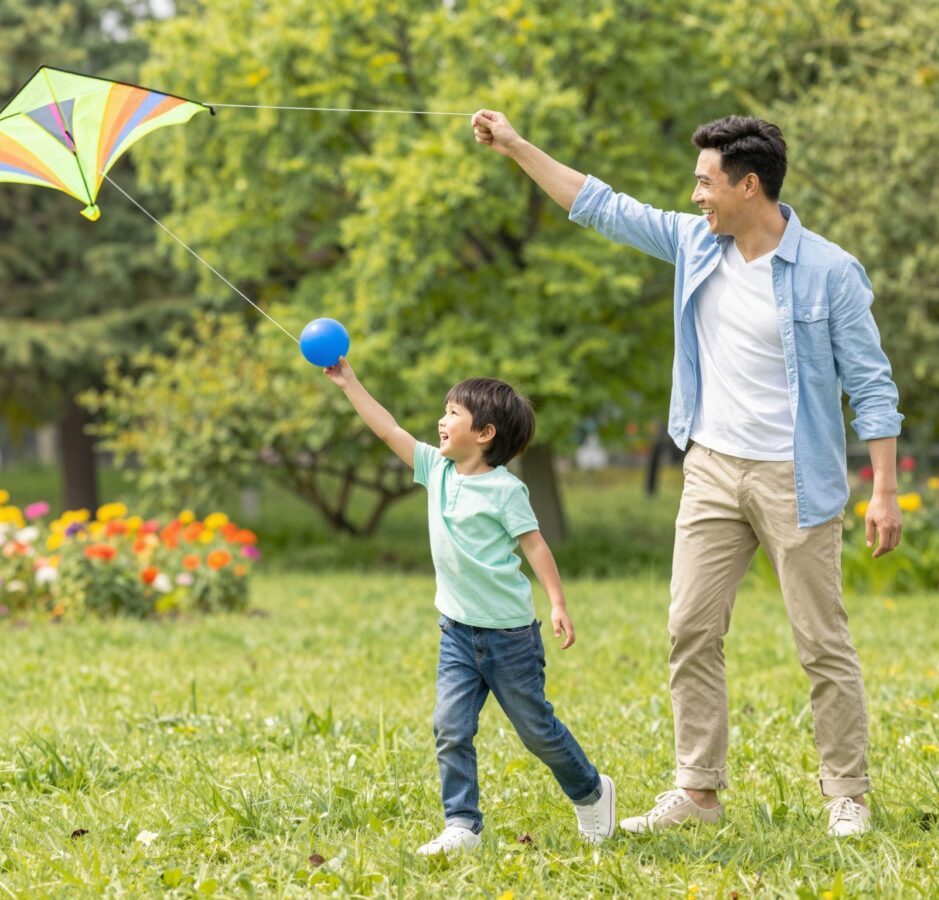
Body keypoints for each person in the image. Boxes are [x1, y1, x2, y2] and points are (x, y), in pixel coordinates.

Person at [471, 110, 904, 838]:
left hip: (794, 477)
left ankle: (847, 792)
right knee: (689, 629)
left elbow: (873, 385)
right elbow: (599, 205)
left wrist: (885, 491)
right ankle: (698, 790)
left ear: (749, 185)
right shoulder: (696, 246)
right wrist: (515, 146)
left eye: (705, 182)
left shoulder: (829, 272)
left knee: (820, 640)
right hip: (709, 466)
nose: (695, 195)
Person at [324, 357, 615, 854]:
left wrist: (559, 603)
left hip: (509, 638)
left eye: (453, 412)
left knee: (537, 731)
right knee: (450, 727)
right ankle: (462, 824)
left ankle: (592, 791)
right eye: (444, 410)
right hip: (457, 633)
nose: (441, 420)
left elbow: (536, 546)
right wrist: (349, 381)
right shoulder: (435, 469)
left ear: (484, 433)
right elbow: (387, 427)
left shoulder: (506, 491)